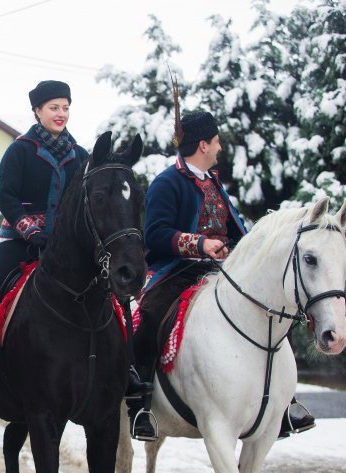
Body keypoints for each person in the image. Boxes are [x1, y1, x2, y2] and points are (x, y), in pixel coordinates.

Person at [125, 110, 314, 441]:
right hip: (175, 271)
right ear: (202, 144)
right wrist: (198, 243)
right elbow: (154, 234)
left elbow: (237, 230)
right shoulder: (165, 182)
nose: (219, 148)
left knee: (269, 311)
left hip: (220, 270)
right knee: (151, 317)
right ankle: (139, 405)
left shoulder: (213, 181)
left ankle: (283, 404)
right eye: (216, 142)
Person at [0, 80, 89, 414]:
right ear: (37, 111)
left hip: (65, 246)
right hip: (19, 239)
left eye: (65, 107)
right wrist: (30, 230)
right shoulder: (20, 149)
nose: (61, 114)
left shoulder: (81, 156)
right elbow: (6, 197)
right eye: (54, 108)